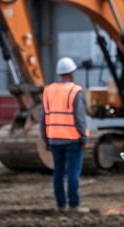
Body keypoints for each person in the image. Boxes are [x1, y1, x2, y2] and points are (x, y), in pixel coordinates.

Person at [41, 57, 88, 212]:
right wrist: (84, 137)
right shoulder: (75, 91)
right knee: (73, 173)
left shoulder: (48, 90)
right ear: (72, 72)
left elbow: (44, 117)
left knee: (58, 173)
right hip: (72, 139)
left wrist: (45, 138)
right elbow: (80, 118)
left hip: (54, 138)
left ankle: (61, 205)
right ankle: (74, 205)